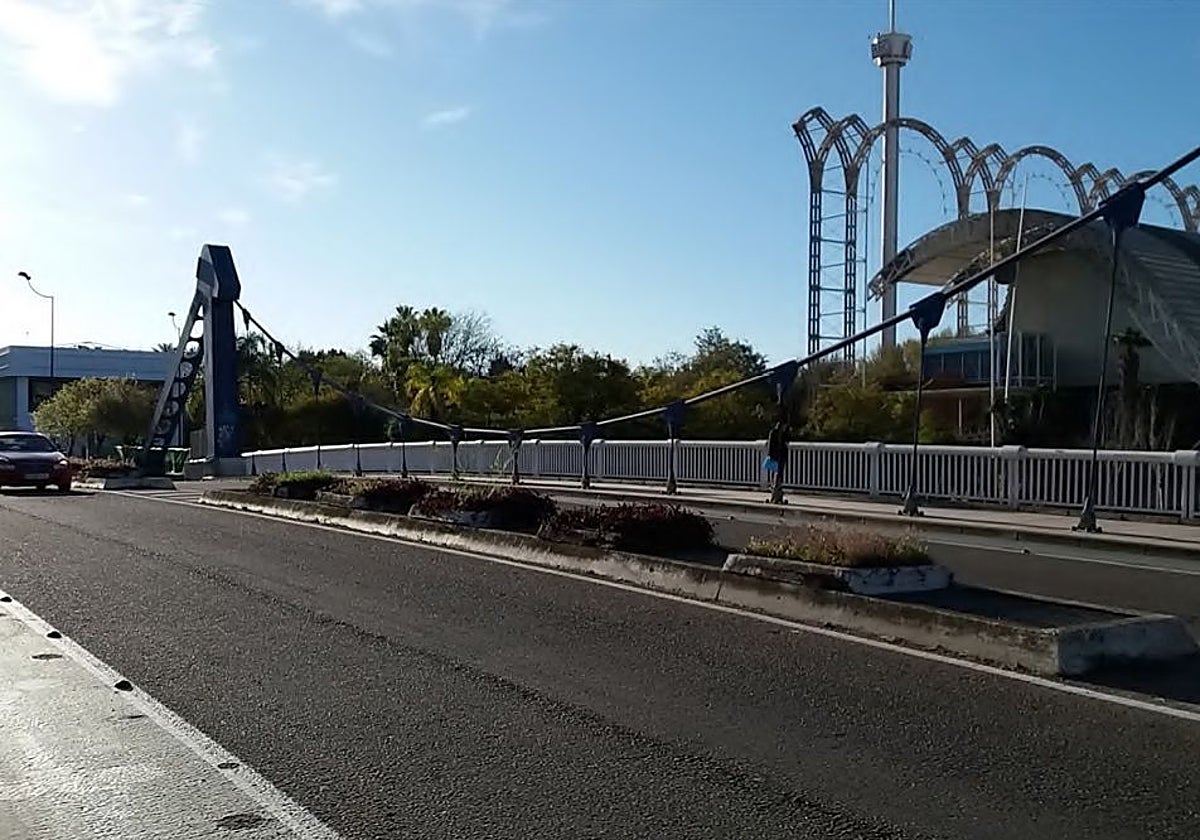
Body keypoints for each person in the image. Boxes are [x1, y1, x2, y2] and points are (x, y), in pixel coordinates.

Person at [766, 417, 790, 504]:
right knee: (775, 477)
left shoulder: (782, 434)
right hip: (775, 457)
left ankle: (776, 495)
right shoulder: (774, 433)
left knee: (777, 476)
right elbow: (770, 447)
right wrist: (770, 456)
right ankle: (775, 495)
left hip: (780, 457)